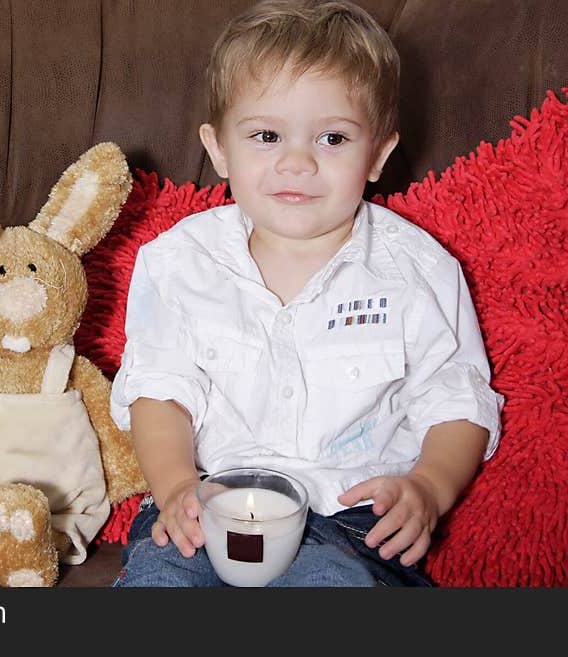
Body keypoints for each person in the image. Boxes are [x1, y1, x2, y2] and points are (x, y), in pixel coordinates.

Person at [109, 0, 503, 587]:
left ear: (378, 155)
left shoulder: (417, 271)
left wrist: (428, 486)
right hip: (208, 507)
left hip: (353, 523)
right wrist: (174, 487)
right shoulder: (179, 262)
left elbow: (458, 400)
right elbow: (159, 392)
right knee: (159, 584)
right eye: (266, 135)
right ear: (219, 149)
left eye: (333, 138)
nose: (297, 162)